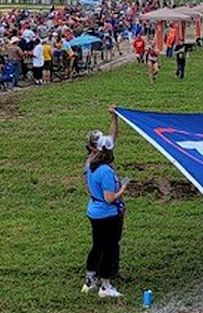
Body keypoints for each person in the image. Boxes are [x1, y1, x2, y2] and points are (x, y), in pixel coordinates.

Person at [82, 107, 127, 298]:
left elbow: (112, 136)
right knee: (109, 248)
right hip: (108, 214)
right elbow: (110, 198)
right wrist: (123, 188)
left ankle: (90, 280)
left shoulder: (91, 165)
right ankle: (105, 285)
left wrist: (113, 118)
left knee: (97, 245)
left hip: (94, 211)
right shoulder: (106, 172)